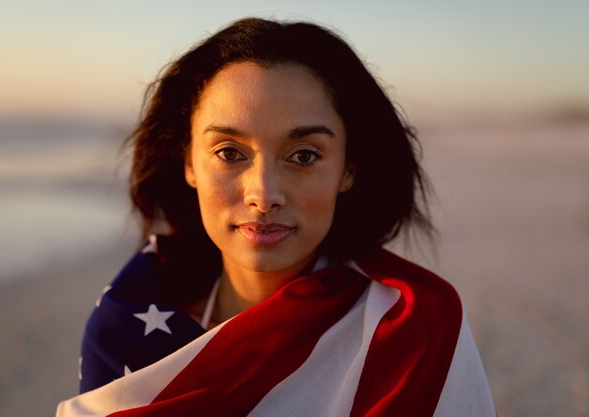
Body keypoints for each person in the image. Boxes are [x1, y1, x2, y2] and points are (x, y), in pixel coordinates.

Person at [57, 17, 495, 416]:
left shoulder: (418, 330)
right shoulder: (121, 328)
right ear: (188, 162)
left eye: (304, 155)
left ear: (348, 170)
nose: (264, 195)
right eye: (229, 153)